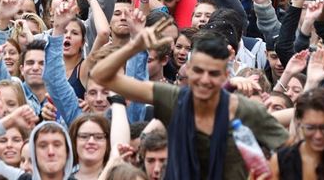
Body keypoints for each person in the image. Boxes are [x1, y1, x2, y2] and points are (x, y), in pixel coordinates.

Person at [92, 24, 288, 179]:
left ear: (226, 76)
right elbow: (101, 75)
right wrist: (134, 46)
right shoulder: (172, 98)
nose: (204, 79)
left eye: (213, 73)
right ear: (188, 70)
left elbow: (293, 152)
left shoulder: (247, 111)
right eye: (198, 71)